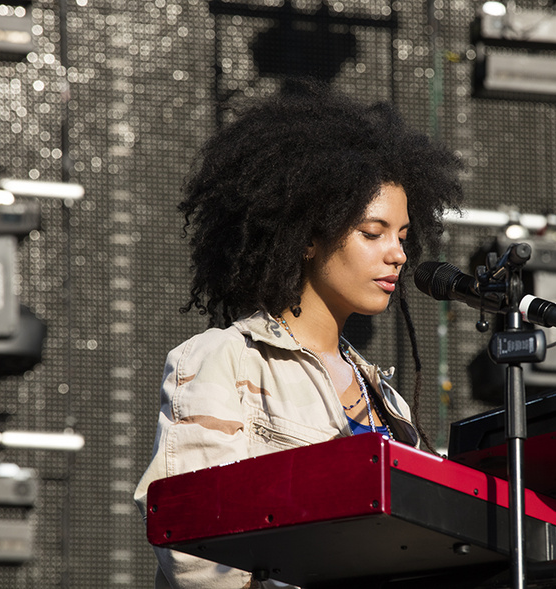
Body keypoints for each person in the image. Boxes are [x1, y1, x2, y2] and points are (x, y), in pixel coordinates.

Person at [133, 81, 463, 589]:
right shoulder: (227, 359)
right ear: (309, 237)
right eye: (373, 233)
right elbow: (195, 552)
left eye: (402, 235)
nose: (397, 254)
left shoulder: (388, 401)